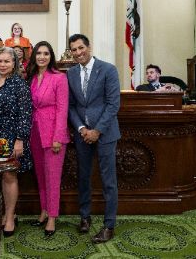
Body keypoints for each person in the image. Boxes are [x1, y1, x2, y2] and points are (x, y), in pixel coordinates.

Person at [66, 34, 120, 244]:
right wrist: (81, 128)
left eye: (81, 48)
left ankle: (109, 225)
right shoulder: (70, 73)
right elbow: (71, 105)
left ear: (89, 47)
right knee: (83, 177)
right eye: (74, 50)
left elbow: (113, 104)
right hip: (82, 135)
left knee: (109, 181)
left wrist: (97, 130)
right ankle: (85, 217)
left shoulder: (108, 69)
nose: (78, 53)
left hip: (105, 134)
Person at [0, 47, 32, 237]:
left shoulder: (19, 83)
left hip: (13, 135)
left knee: (10, 176)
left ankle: (10, 216)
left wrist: (20, 140)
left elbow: (26, 114)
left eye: (7, 61)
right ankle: (3, 212)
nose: (2, 64)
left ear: (14, 63)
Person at [26, 41, 69, 237]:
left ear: (51, 56)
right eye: (39, 53)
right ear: (34, 56)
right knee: (41, 176)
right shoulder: (32, 77)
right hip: (35, 131)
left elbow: (62, 109)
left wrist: (58, 137)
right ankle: (44, 210)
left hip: (53, 133)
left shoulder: (59, 78)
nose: (42, 56)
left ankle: (52, 216)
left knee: (52, 177)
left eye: (46, 53)